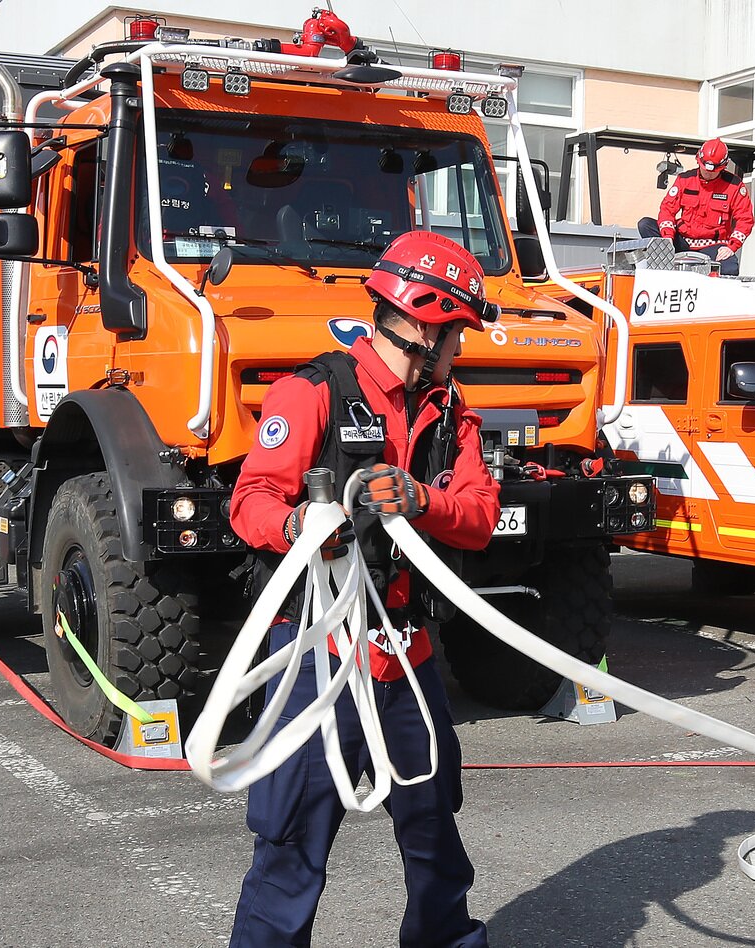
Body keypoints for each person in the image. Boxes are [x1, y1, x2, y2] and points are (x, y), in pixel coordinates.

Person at [227, 230, 501, 948]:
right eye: (457, 335)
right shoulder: (313, 391)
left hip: (405, 653)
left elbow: (478, 518)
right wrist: (300, 523)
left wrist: (422, 502)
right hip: (315, 654)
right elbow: (248, 499)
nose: (459, 350)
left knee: (436, 832)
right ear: (424, 321)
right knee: (290, 846)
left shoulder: (450, 413)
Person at [636, 137, 754, 276]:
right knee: (645, 224)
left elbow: (745, 219)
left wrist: (731, 247)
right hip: (681, 242)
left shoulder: (734, 186)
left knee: (729, 269)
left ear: (723, 167)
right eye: (705, 169)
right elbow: (667, 209)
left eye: (714, 170)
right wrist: (667, 237)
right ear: (699, 161)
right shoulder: (685, 179)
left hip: (713, 246)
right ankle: (665, 264)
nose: (709, 173)